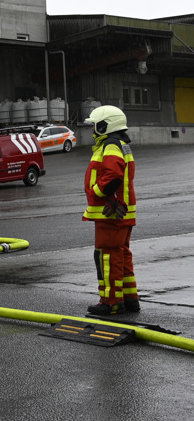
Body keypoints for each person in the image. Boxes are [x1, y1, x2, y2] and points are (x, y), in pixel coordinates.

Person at [83, 105, 138, 315]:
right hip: (123, 212)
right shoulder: (121, 144)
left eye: (95, 125)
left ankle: (111, 302)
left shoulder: (110, 145)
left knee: (106, 256)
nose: (92, 129)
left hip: (111, 213)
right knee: (121, 255)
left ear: (105, 125)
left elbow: (113, 176)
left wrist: (96, 192)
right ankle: (129, 299)